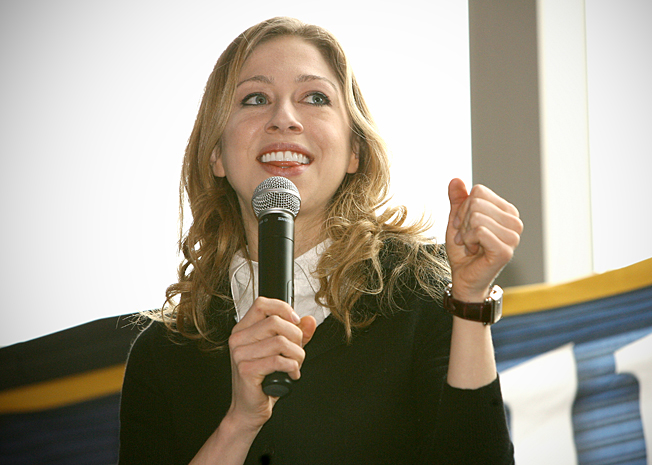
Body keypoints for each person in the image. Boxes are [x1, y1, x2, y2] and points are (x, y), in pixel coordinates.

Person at [119, 16, 522, 465]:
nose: (284, 119)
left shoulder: (420, 291)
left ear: (354, 151)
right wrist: (239, 423)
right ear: (216, 154)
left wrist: (468, 301)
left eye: (314, 98)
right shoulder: (164, 353)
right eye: (255, 98)